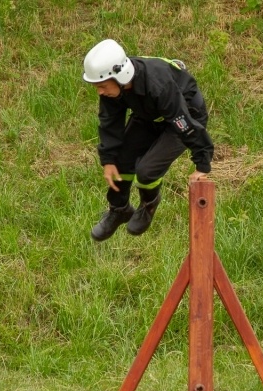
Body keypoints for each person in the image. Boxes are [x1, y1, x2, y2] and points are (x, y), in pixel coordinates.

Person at [82, 39, 215, 241]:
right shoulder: (114, 87)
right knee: (120, 161)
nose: (99, 91)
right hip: (149, 114)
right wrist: (108, 159)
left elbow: (184, 124)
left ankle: (148, 205)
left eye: (101, 86)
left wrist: (202, 163)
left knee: (146, 171)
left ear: (120, 76)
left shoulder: (158, 85)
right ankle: (120, 209)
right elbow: (109, 122)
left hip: (184, 116)